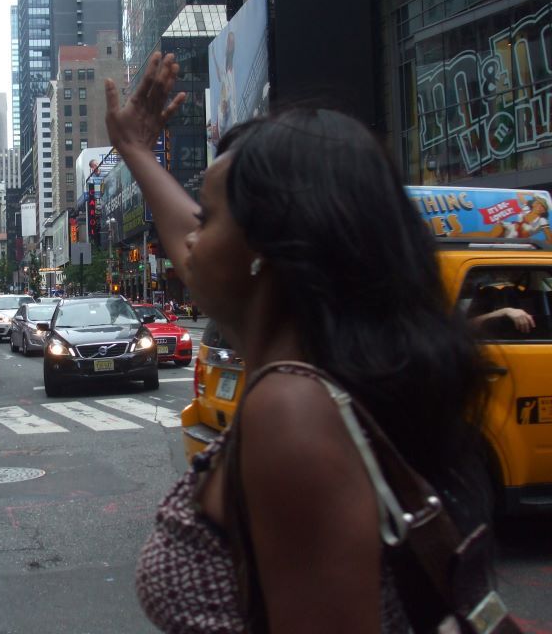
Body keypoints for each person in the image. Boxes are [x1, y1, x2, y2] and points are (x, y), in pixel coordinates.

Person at [106, 52, 491, 632]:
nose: (188, 242)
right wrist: (136, 150)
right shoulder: (319, 374)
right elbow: (199, 242)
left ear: (267, 248)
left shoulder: (292, 412)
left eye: (208, 217)